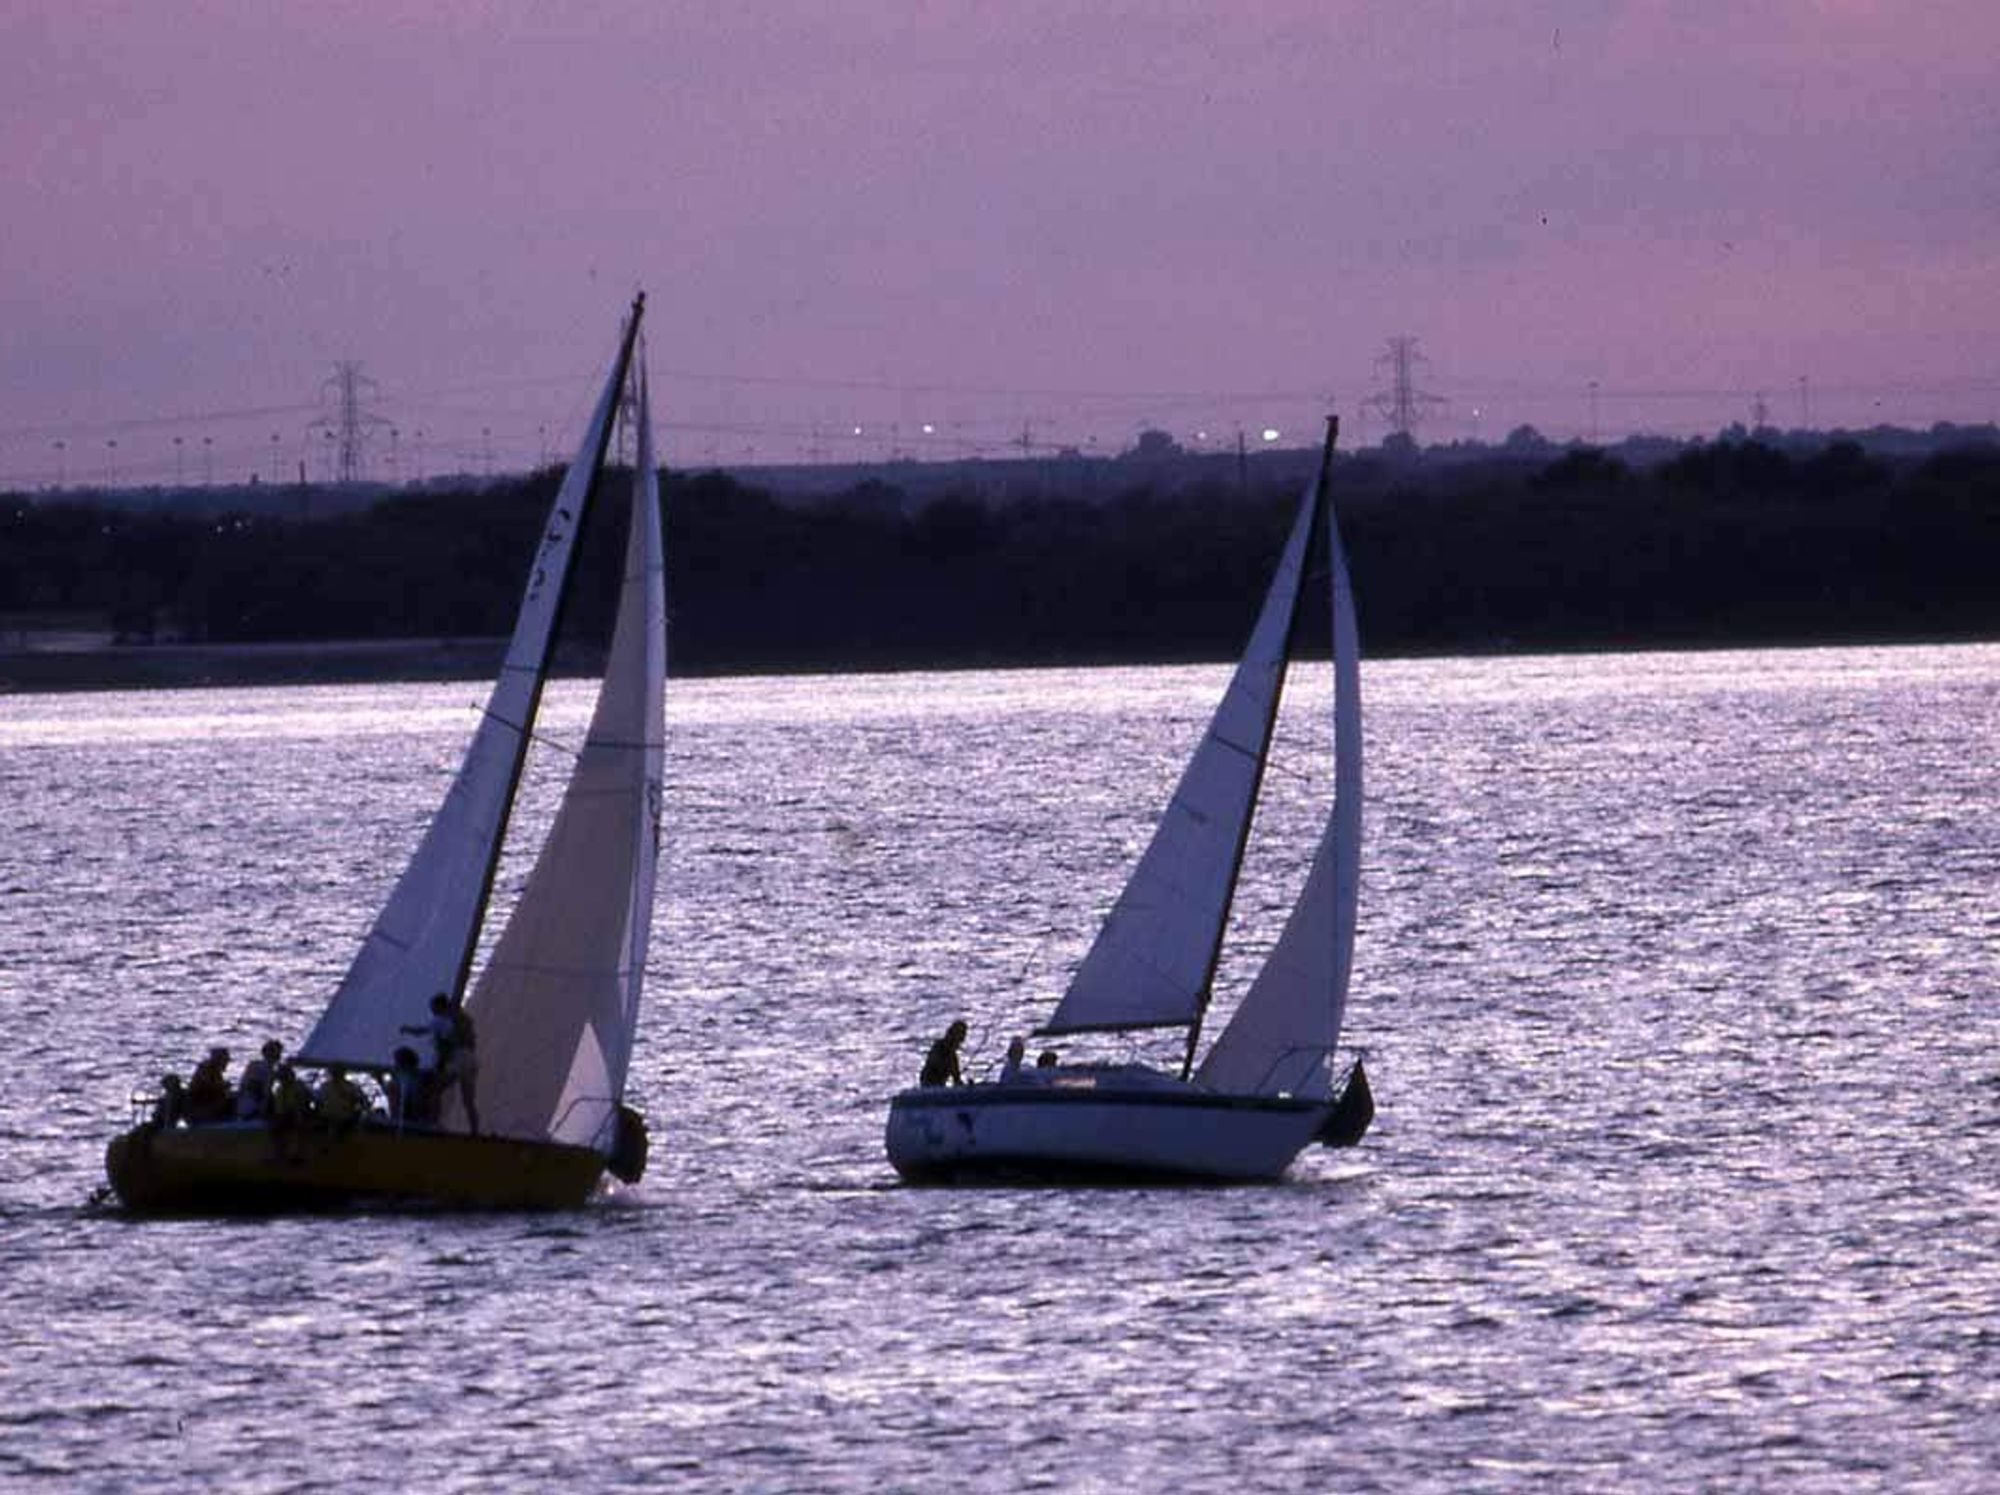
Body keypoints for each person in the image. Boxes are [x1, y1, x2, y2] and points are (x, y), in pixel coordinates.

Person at [405, 992, 480, 1134]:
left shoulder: (440, 1020)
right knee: (468, 1101)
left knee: (435, 1090)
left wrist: (407, 1029)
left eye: (433, 1007)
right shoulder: (463, 1018)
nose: (431, 1010)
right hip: (471, 1059)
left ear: (439, 1007)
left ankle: (433, 1124)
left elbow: (423, 1031)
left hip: (459, 1059)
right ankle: (474, 1131)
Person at [386, 1046, 436, 1128]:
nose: (395, 1067)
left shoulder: (423, 1082)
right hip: (403, 1125)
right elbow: (394, 1110)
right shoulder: (394, 1085)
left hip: (421, 1125)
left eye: (398, 1064)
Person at [235, 1040, 283, 1120]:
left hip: (243, 1105)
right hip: (252, 1109)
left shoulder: (253, 1065)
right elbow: (265, 1092)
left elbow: (242, 1086)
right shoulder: (264, 1069)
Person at [315, 1064, 368, 1134]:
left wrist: (354, 1111)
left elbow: (361, 1100)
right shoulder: (326, 1086)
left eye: (338, 1072)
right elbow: (318, 1101)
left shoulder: (351, 1087)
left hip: (345, 1118)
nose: (336, 1074)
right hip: (328, 1117)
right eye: (335, 1072)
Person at [185, 1047, 231, 1123]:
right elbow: (208, 1085)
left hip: (206, 1104)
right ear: (218, 1060)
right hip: (198, 1109)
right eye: (225, 1060)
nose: (227, 1063)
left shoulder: (216, 1072)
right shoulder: (206, 1069)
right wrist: (223, 1086)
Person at [920, 1020, 969, 1087]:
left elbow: (956, 1079)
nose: (959, 1042)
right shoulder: (938, 1048)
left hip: (941, 1086)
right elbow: (934, 1066)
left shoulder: (953, 1057)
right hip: (929, 1086)